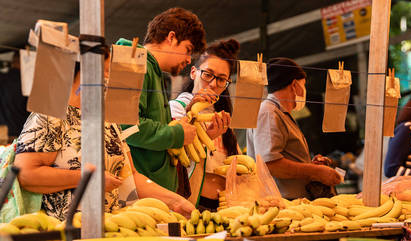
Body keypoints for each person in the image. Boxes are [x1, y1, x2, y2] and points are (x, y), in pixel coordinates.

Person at [14, 57, 195, 220]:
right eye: (106, 71)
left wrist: (176, 201)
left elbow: (130, 176)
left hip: (109, 228)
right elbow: (26, 174)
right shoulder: (51, 115)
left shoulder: (109, 120)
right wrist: (90, 179)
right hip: (62, 230)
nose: (110, 79)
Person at [115, 8, 206, 194]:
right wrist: (176, 134)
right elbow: (126, 128)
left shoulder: (153, 71)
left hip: (156, 191)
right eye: (188, 50)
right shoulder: (135, 65)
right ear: (171, 37)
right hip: (141, 196)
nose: (189, 60)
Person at [247, 57, 341, 200]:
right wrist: (315, 171)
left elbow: (283, 157)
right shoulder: (268, 113)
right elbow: (270, 164)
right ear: (294, 85)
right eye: (304, 86)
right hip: (280, 204)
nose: (304, 91)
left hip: (295, 203)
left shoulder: (281, 113)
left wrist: (310, 164)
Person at [169, 39, 239, 210]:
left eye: (222, 79)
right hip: (190, 204)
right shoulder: (176, 108)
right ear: (194, 72)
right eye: (208, 74)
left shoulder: (222, 116)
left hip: (226, 206)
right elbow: (175, 158)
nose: (213, 84)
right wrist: (207, 136)